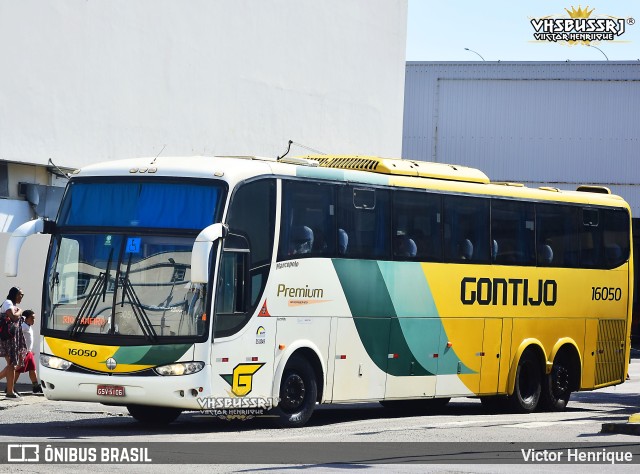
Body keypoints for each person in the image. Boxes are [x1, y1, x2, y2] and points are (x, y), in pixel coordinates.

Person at [0, 287, 28, 399]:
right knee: (11, 364)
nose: (21, 297)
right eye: (20, 294)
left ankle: (10, 392)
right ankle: (10, 392)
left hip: (12, 339)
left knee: (12, 364)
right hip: (7, 339)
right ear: (14, 294)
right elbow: (13, 317)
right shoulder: (8, 303)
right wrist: (20, 311)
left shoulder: (12, 305)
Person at [14, 310, 42, 393]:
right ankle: (10, 386)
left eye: (34, 318)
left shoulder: (28, 326)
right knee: (18, 370)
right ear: (26, 318)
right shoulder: (23, 326)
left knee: (32, 368)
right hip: (22, 352)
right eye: (32, 318)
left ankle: (35, 386)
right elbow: (15, 332)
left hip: (28, 352)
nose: (34, 320)